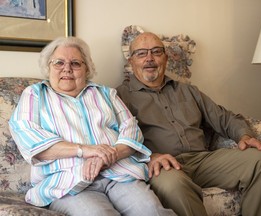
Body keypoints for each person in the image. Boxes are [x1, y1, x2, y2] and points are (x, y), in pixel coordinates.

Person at [8, 36, 176, 216]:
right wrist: (85, 150)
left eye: (75, 63)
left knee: (151, 211)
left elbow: (131, 130)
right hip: (68, 184)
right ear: (48, 67)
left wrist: (106, 157)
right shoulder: (35, 94)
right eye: (59, 63)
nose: (67, 68)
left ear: (87, 68)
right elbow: (28, 138)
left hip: (118, 174)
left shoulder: (105, 93)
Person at [116, 32, 261, 216]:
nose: (149, 59)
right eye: (141, 54)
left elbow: (223, 117)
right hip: (162, 166)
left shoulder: (188, 91)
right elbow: (115, 141)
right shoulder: (119, 97)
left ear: (166, 58)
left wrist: (245, 136)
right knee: (173, 186)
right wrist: (150, 157)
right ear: (131, 62)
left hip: (202, 160)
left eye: (156, 52)